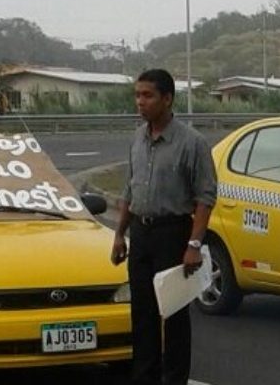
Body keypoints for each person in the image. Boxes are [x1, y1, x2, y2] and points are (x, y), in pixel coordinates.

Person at [110, 69, 216, 385]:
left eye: (147, 95)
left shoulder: (192, 143)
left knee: (173, 315)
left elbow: (205, 197)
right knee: (142, 316)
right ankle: (145, 377)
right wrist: (119, 234)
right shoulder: (137, 139)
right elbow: (131, 189)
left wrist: (194, 245)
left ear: (167, 99)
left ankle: (175, 379)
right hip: (141, 235)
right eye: (137, 95)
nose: (139, 102)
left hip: (173, 234)